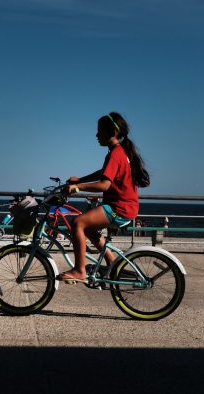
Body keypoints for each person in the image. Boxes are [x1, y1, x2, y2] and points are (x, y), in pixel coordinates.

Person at [58, 112, 149, 282]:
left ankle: (79, 271)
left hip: (119, 208)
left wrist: (78, 187)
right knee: (89, 229)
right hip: (125, 206)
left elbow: (104, 185)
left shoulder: (116, 153)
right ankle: (112, 262)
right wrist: (81, 179)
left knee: (78, 222)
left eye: (99, 131)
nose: (96, 135)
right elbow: (104, 173)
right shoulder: (119, 152)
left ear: (111, 132)